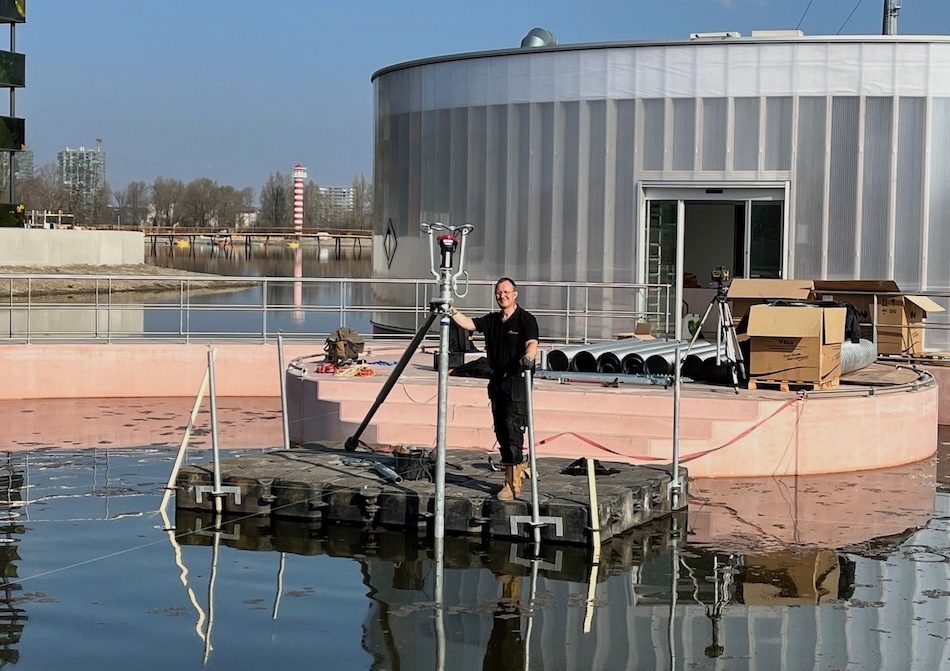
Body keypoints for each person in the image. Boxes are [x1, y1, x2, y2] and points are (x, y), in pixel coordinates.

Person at [448, 278, 539, 500]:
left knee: (513, 428)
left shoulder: (525, 320)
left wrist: (528, 358)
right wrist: (449, 310)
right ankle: (515, 471)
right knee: (500, 429)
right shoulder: (492, 321)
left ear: (515, 294)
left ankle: (512, 483)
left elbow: (532, 343)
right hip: (497, 380)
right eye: (499, 293)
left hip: (516, 380)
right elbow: (469, 323)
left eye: (506, 292)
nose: (502, 296)